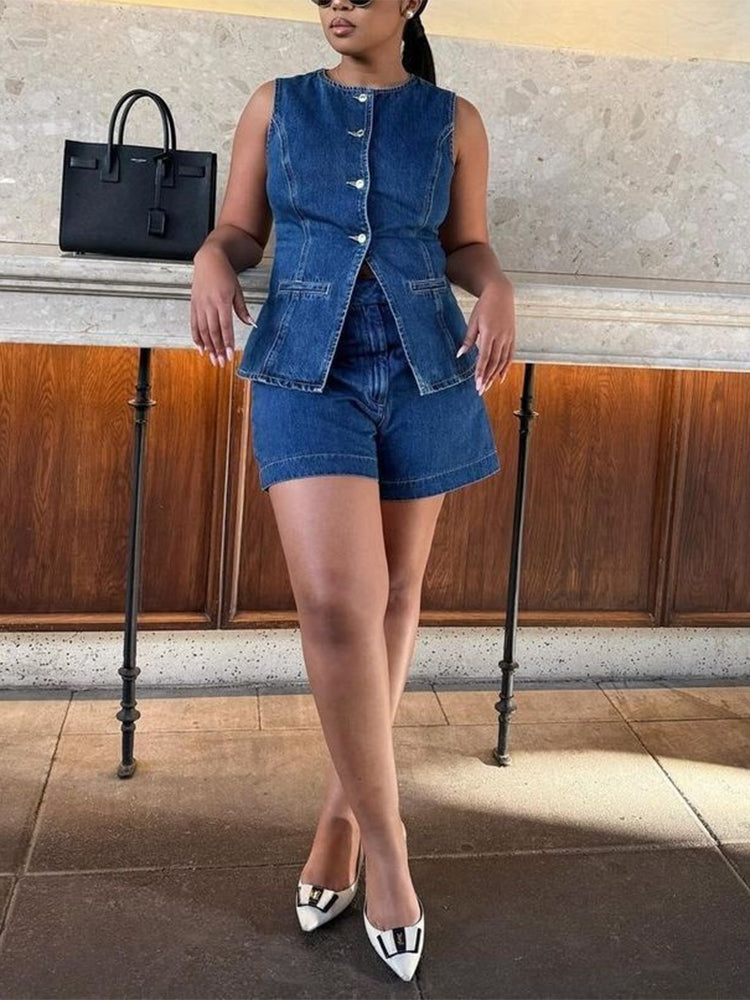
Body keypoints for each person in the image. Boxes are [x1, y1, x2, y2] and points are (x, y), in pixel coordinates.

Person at [190, 0, 516, 981]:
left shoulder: (454, 120)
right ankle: (389, 844)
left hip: (424, 368)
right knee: (338, 606)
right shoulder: (276, 105)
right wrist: (209, 256)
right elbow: (240, 230)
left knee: (397, 596)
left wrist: (497, 284)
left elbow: (464, 244)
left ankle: (338, 820)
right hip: (304, 368)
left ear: (410, 0)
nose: (337, 2)